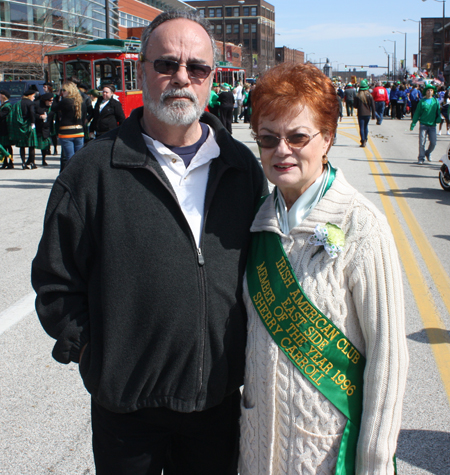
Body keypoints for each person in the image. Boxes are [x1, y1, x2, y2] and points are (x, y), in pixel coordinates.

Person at [32, 10, 267, 475]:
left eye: (196, 68)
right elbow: (55, 282)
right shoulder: (92, 171)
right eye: (166, 65)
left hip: (216, 406)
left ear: (211, 78)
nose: (182, 77)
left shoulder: (242, 168)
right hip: (127, 417)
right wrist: (94, 354)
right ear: (142, 70)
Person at [239, 62, 408, 475]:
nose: (282, 151)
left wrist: (374, 462)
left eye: (298, 136)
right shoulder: (257, 222)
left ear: (327, 139)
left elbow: (389, 357)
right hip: (258, 453)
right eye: (267, 139)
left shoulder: (361, 224)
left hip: (327, 456)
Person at [50, 82, 86, 168]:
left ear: (69, 91)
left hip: (66, 132)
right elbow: (84, 118)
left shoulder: (65, 101)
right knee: (79, 157)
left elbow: (53, 108)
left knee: (69, 157)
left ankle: (71, 177)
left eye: (64, 90)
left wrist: (57, 96)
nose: (63, 92)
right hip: (79, 131)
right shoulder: (81, 102)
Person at [410, 83, 441, 163]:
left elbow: (438, 112)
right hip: (423, 124)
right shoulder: (422, 102)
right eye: (428, 90)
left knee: (433, 142)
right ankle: (421, 158)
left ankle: (427, 153)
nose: (430, 92)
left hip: (432, 125)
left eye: (431, 90)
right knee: (422, 142)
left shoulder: (435, 101)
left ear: (433, 92)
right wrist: (413, 123)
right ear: (425, 92)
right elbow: (417, 113)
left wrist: (438, 118)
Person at [9, 89, 38, 169]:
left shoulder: (18, 103)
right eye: (33, 96)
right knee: (31, 146)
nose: (34, 98)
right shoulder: (30, 103)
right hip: (29, 125)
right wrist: (33, 122)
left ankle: (23, 163)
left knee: (22, 146)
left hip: (20, 126)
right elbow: (32, 113)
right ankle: (32, 163)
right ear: (29, 96)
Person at [34, 92, 54, 166]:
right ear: (45, 100)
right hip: (38, 127)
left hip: (47, 128)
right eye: (50, 101)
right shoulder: (37, 105)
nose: (51, 102)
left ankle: (43, 159)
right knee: (33, 146)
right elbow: (32, 114)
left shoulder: (52, 107)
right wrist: (39, 116)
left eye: (52, 101)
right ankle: (31, 160)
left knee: (45, 146)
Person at [354, 79, 375, 148]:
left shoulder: (358, 96)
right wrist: (373, 115)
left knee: (361, 127)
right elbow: (373, 106)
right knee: (366, 127)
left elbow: (355, 106)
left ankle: (362, 140)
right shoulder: (370, 96)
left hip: (361, 113)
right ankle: (366, 138)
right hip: (368, 113)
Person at [0, 89, 14, 169]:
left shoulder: (7, 106)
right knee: (4, 147)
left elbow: (1, 115)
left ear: (3, 96)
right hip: (2, 129)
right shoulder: (3, 105)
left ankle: (10, 162)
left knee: (7, 146)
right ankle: (5, 162)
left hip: (5, 129)